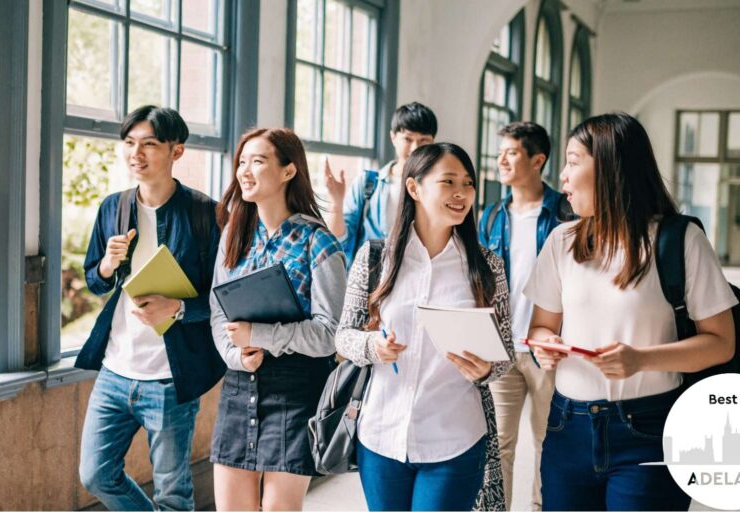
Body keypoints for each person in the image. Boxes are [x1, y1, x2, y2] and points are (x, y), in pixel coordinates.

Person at [525, 112, 737, 511]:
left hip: (650, 428)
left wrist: (640, 360)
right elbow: (540, 326)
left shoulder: (680, 240)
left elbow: (721, 342)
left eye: (573, 161)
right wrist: (544, 345)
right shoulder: (561, 241)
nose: (563, 177)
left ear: (607, 167)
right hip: (567, 426)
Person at [335, 142, 515, 511]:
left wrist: (488, 368)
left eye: (468, 183)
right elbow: (343, 338)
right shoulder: (374, 259)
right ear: (414, 188)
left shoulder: (487, 266)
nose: (461, 193)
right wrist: (374, 348)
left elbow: (505, 352)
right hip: (381, 435)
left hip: (455, 437)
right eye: (448, 182)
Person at [76, 106, 227, 510]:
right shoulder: (113, 207)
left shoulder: (205, 215)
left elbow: (223, 298)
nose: (135, 154)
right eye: (128, 144)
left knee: (173, 494)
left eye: (149, 144)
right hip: (115, 370)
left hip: (169, 376)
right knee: (95, 473)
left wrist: (177, 307)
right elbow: (94, 279)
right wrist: (107, 264)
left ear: (177, 151)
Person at [209, 128, 346, 511]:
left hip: (296, 390)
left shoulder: (317, 241)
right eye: (241, 162)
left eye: (258, 161)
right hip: (239, 386)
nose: (245, 171)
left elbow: (330, 334)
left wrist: (261, 335)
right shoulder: (235, 233)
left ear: (288, 171)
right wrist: (237, 355)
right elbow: (218, 311)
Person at [477, 121, 572, 510]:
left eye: (511, 152)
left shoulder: (564, 214)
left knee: (547, 444)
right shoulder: (491, 216)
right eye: (500, 150)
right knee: (498, 446)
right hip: (501, 348)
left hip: (549, 347)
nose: (501, 159)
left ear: (538, 160)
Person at [324, 102, 438, 266]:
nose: (415, 147)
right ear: (393, 137)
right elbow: (340, 242)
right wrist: (336, 203)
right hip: (372, 282)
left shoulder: (438, 187)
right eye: (408, 139)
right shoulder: (368, 184)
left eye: (423, 140)